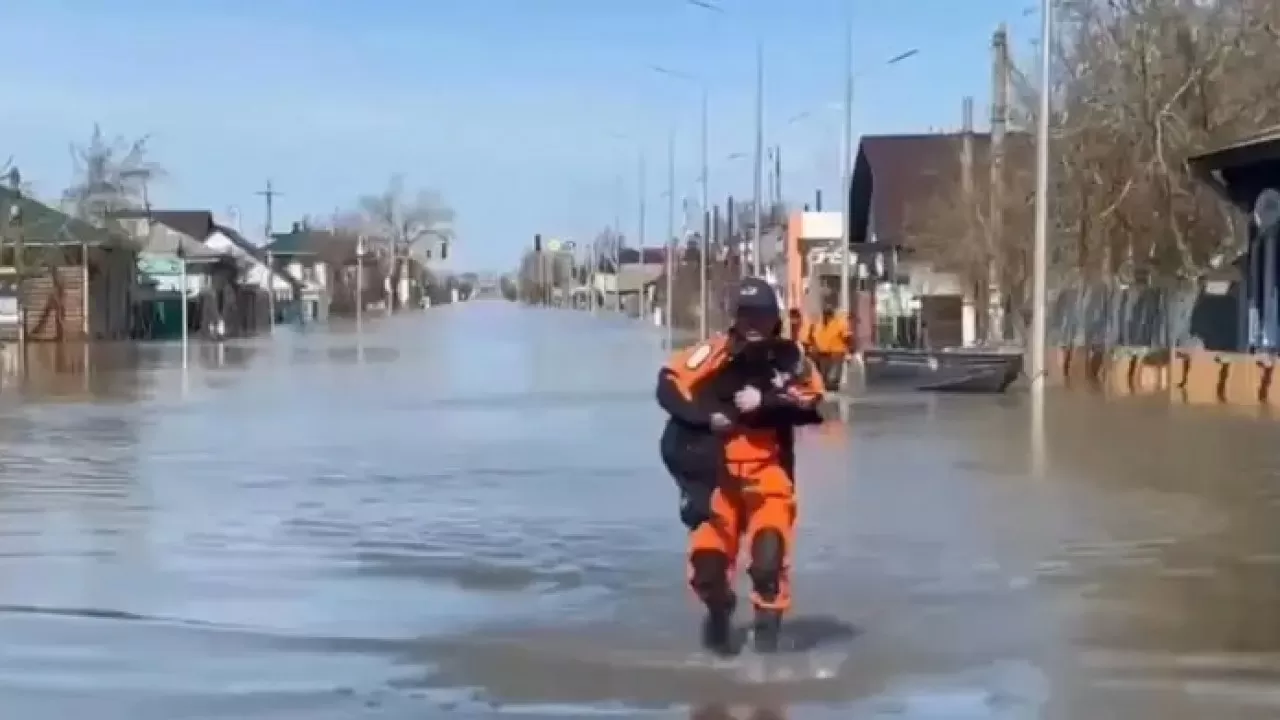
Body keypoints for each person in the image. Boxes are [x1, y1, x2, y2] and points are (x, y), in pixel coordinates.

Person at [655, 276, 825, 655]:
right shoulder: (711, 352)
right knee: (707, 568)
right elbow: (668, 384)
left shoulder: (791, 357)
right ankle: (720, 615)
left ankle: (767, 658)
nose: (752, 323)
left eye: (761, 315)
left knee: (768, 561)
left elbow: (812, 399)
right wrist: (704, 418)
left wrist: (764, 401)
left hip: (770, 481)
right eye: (745, 314)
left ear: (774, 318)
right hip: (717, 483)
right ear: (734, 317)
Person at [808, 302, 852, 392]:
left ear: (832, 314)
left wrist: (849, 351)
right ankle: (827, 390)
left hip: (837, 352)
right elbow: (812, 336)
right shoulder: (818, 323)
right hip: (823, 353)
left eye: (828, 313)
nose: (826, 315)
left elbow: (847, 337)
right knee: (824, 377)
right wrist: (814, 348)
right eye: (825, 313)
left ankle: (833, 390)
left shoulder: (840, 322)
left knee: (833, 377)